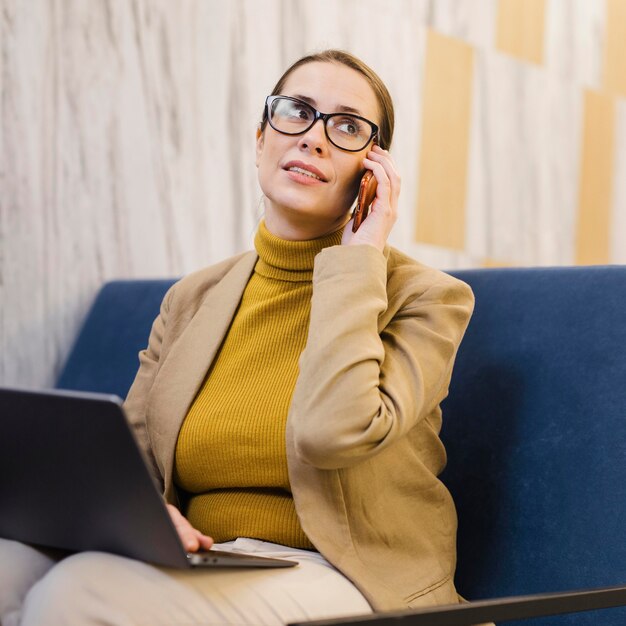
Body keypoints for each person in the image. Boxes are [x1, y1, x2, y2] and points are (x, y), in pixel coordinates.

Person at [0, 49, 475, 625]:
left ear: (373, 175)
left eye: (347, 127)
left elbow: (331, 432)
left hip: (345, 576)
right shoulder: (193, 297)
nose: (314, 138)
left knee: (79, 593)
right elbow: (135, 459)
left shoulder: (427, 298)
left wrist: (358, 260)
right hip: (207, 559)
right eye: (296, 112)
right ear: (260, 141)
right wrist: (143, 514)